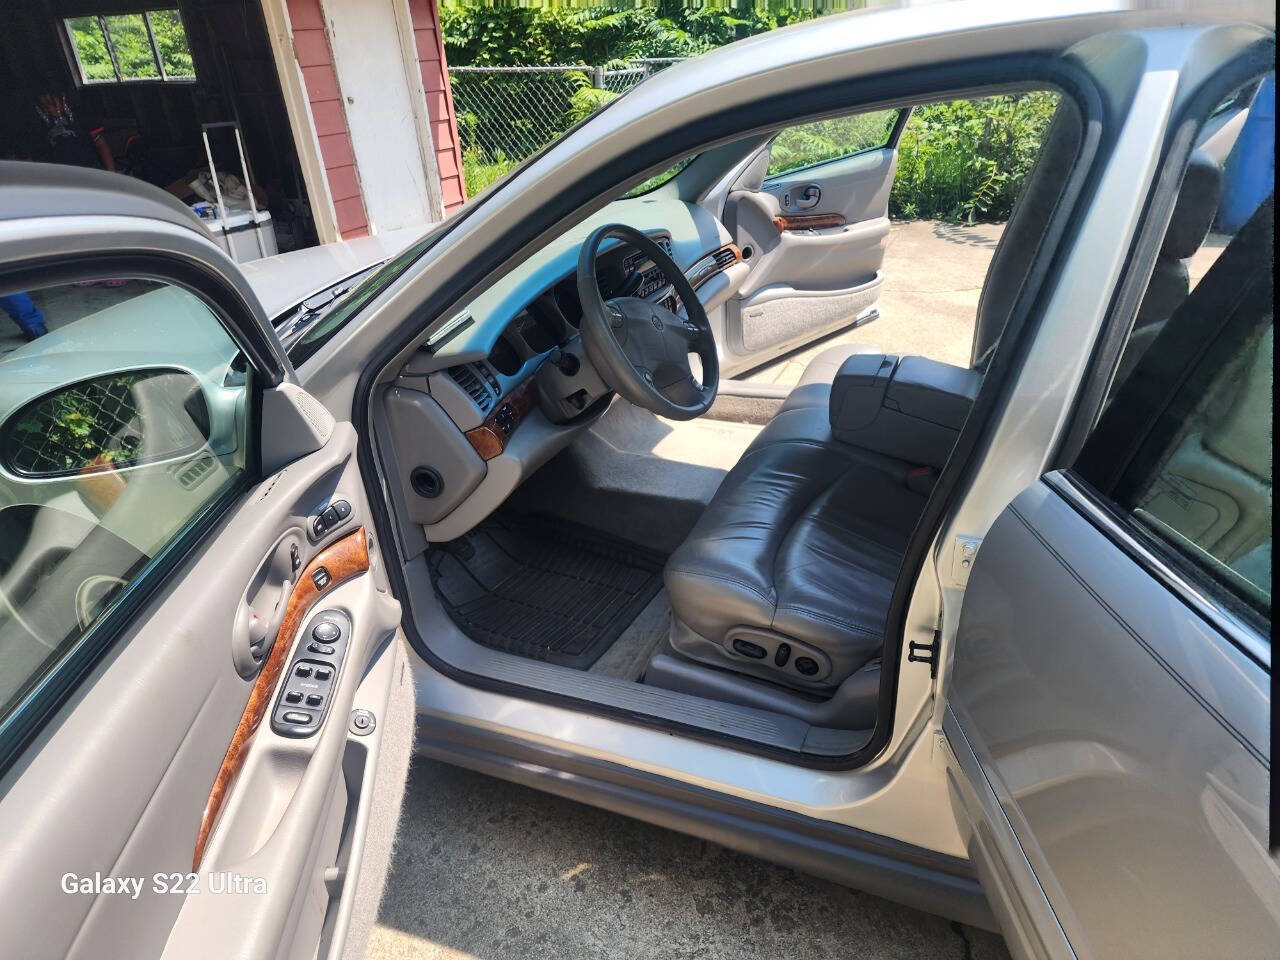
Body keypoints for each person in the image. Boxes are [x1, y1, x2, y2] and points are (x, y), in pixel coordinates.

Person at [35, 91, 115, 171]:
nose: (49, 108)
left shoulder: (81, 116)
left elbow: (101, 145)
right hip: (65, 173)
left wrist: (111, 172)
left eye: (52, 103)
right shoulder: (44, 125)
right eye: (44, 106)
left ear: (61, 99)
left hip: (89, 168)